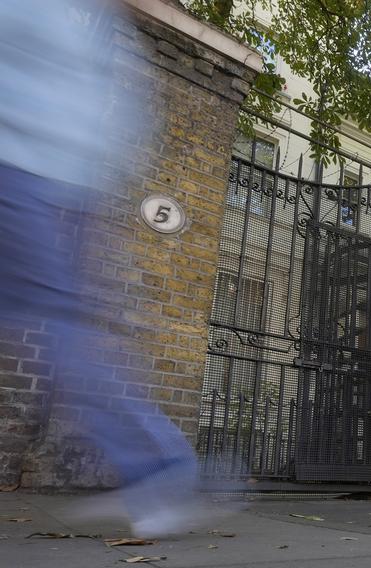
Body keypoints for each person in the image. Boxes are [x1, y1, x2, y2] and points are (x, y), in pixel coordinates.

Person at [1, 0, 203, 537]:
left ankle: (157, 465)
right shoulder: (95, 26)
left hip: (20, 170)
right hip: (55, 177)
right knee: (65, 330)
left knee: (65, 332)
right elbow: (123, 118)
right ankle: (157, 464)